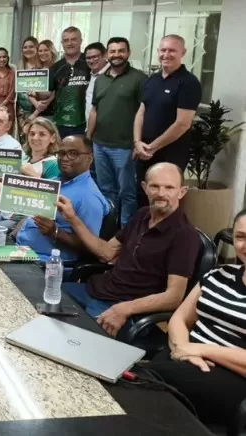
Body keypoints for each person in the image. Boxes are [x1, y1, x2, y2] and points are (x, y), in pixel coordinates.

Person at [57, 162, 199, 337]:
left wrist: (124, 309)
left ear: (182, 192)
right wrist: (72, 219)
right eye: (155, 186)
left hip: (125, 307)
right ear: (145, 188)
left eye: (169, 187)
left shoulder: (185, 235)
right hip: (99, 290)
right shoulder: (142, 214)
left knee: (69, 338)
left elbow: (173, 297)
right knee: (42, 301)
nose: (161, 194)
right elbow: (107, 252)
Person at [142, 209, 246, 430]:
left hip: (229, 375)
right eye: (240, 237)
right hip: (182, 357)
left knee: (139, 381)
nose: (244, 245)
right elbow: (179, 318)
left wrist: (201, 350)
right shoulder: (218, 275)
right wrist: (183, 347)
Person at [14, 135, 108, 263]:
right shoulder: (55, 182)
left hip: (45, 262)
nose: (64, 158)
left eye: (73, 154)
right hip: (20, 248)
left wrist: (54, 232)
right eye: (61, 153)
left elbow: (90, 247)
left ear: (89, 158)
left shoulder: (90, 197)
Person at [133, 34, 201, 208]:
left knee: (166, 200)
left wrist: (152, 147)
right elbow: (141, 112)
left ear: (183, 53)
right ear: (158, 51)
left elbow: (182, 124)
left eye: (172, 50)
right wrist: (137, 142)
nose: (166, 54)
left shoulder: (188, 83)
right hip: (145, 151)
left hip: (170, 154)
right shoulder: (152, 80)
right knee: (143, 197)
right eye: (163, 50)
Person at [88, 37, 146, 226]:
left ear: (128, 53)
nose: (117, 55)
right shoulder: (100, 80)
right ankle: (108, 227)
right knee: (106, 189)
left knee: (127, 192)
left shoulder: (139, 79)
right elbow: (94, 110)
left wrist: (137, 142)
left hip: (124, 146)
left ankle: (125, 231)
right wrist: (89, 138)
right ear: (107, 55)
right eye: (112, 51)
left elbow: (143, 112)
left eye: (121, 51)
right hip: (99, 144)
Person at [0, 117, 61, 228]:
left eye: (42, 134)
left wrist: (34, 176)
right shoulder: (24, 158)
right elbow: (5, 192)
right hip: (6, 213)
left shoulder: (53, 164)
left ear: (52, 138)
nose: (35, 138)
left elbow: (51, 203)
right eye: (32, 134)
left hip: (24, 221)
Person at [48, 27, 90, 138]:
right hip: (60, 123)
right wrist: (33, 91)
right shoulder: (55, 67)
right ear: (62, 43)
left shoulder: (90, 64)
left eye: (74, 39)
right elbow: (48, 92)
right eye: (66, 40)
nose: (70, 43)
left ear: (81, 40)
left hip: (86, 123)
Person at [28, 40, 59, 121]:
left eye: (46, 50)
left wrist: (44, 104)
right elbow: (29, 91)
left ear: (52, 51)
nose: (42, 53)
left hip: (52, 113)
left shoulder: (58, 69)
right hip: (35, 111)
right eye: (40, 51)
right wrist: (36, 104)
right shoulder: (34, 69)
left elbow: (57, 90)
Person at [17, 36, 42, 133]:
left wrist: (35, 114)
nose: (28, 49)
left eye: (31, 47)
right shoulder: (20, 65)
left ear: (37, 48)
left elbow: (44, 96)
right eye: (25, 47)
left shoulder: (42, 67)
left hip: (36, 111)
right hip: (21, 112)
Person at [83, 42, 109, 124]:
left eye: (95, 57)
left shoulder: (112, 74)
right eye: (88, 58)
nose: (91, 60)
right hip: (90, 127)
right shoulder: (91, 74)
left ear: (105, 55)